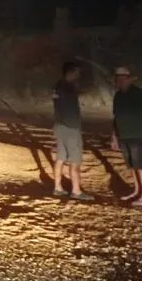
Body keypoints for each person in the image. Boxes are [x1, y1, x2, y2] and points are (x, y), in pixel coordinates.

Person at [111, 66, 142, 206]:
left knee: (140, 164)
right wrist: (114, 136)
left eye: (123, 79)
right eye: (118, 79)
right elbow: (115, 117)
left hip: (138, 134)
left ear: (129, 79)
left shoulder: (141, 94)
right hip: (123, 135)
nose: (121, 81)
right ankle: (137, 191)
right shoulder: (118, 96)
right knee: (131, 165)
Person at [51, 61, 93, 200]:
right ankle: (76, 191)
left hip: (60, 126)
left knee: (60, 158)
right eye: (77, 72)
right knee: (75, 161)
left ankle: (57, 187)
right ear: (71, 72)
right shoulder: (68, 87)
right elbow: (77, 91)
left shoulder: (59, 86)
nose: (78, 75)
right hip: (71, 128)